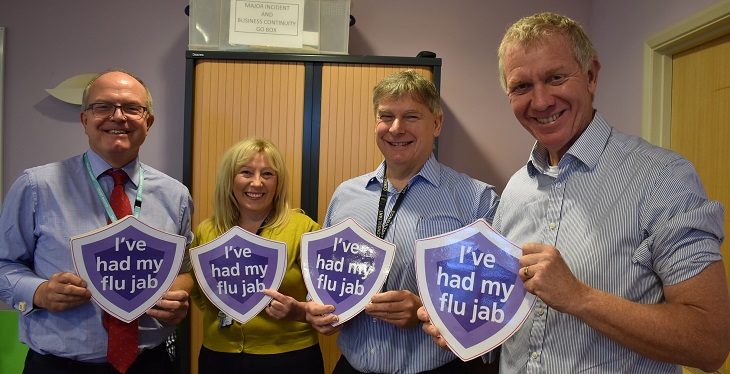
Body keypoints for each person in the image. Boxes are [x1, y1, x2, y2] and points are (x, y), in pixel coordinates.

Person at [418, 12, 730, 373]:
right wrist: (461, 322)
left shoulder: (661, 177)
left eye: (555, 78)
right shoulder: (516, 189)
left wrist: (580, 298)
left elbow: (709, 342)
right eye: (521, 87)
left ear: (591, 75)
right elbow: (511, 318)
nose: (540, 102)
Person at [304, 70, 500, 374]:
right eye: (386, 116)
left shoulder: (477, 200)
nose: (396, 128)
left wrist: (425, 309)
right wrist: (318, 309)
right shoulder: (345, 196)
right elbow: (325, 276)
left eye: (411, 117)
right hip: (352, 367)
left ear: (436, 124)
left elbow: (490, 303)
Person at [0, 69, 195, 374]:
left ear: (148, 122)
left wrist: (178, 296)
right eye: (103, 106)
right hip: (59, 366)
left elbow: (183, 269)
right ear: (85, 120)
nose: (118, 117)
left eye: (132, 108)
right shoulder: (36, 186)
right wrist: (38, 292)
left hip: (149, 364)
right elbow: (3, 264)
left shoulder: (176, 195)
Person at [189, 137, 324, 374]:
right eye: (246, 172)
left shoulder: (304, 228)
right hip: (219, 358)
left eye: (268, 174)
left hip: (290, 359)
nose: (257, 183)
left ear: (278, 182)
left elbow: (325, 298)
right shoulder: (207, 230)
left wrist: (299, 311)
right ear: (229, 179)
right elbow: (200, 293)